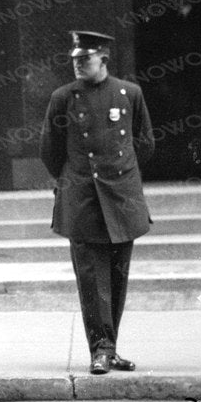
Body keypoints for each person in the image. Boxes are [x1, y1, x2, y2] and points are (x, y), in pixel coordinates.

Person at [40, 30, 154, 375]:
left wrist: (122, 177)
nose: (78, 64)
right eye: (75, 59)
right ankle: (100, 349)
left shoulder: (129, 93)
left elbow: (145, 142)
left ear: (103, 58)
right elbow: (50, 150)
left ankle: (110, 348)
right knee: (92, 282)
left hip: (121, 199)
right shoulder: (63, 98)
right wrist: (73, 180)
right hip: (83, 200)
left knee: (118, 278)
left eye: (85, 59)